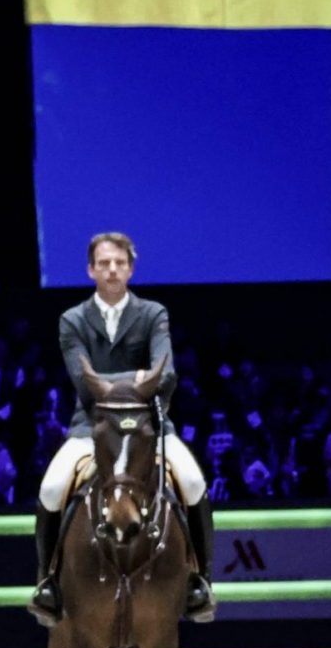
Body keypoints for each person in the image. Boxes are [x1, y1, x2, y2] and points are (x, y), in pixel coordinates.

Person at [29, 232, 214, 626]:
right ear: (90, 270)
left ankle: (200, 581)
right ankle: (48, 583)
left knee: (193, 481)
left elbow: (167, 374)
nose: (112, 270)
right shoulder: (73, 320)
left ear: (130, 269)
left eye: (119, 263)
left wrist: (112, 381)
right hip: (92, 428)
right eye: (104, 263)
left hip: (148, 426)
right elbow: (84, 383)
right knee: (51, 488)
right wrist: (140, 378)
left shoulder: (153, 314)